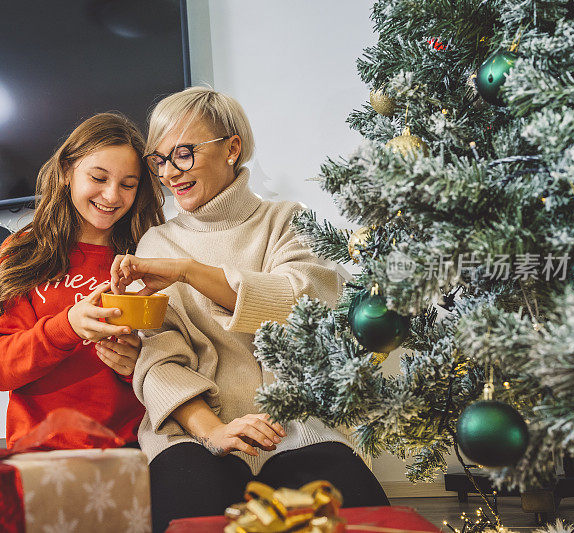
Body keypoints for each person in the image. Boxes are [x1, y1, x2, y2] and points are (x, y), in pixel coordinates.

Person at [110, 88, 389, 532]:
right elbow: (159, 359)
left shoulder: (287, 220)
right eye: (159, 160)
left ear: (232, 148)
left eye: (183, 154)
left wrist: (189, 272)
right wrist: (211, 431)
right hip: (193, 434)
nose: (169, 174)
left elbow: (304, 306)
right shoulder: (155, 244)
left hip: (297, 427)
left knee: (361, 517)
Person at [0, 112, 165, 450]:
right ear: (67, 171)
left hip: (132, 451)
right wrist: (68, 326)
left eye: (128, 184)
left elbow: (175, 362)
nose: (112, 196)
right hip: (41, 454)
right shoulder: (24, 252)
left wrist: (135, 366)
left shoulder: (148, 256)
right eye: (98, 177)